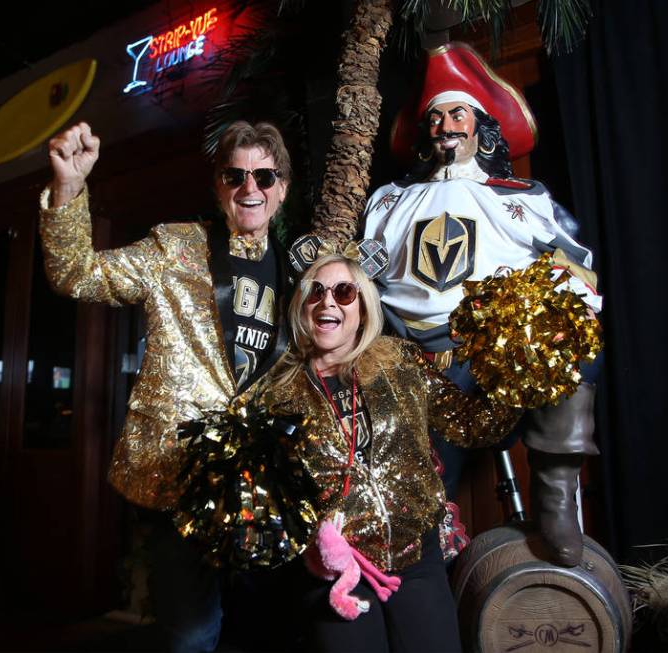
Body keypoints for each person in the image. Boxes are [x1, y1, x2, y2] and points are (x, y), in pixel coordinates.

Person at [39, 120, 294, 651]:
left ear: (282, 188)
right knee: (191, 636)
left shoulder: (300, 273)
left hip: (267, 485)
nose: (251, 188)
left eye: (265, 176)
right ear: (219, 185)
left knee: (264, 633)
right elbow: (76, 273)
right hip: (178, 476)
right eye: (235, 175)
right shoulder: (176, 247)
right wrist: (68, 187)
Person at [362, 42, 603, 567]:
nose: (444, 124)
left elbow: (576, 263)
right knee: (414, 513)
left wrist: (569, 305)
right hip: (408, 355)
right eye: (435, 116)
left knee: (575, 335)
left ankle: (557, 495)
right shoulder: (389, 201)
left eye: (457, 112)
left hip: (497, 353)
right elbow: (364, 272)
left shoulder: (524, 195)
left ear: (480, 125)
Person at [243, 253, 520, 652]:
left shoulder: (399, 361)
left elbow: (471, 424)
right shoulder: (275, 393)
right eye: (315, 292)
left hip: (415, 557)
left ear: (362, 306)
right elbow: (262, 495)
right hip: (336, 573)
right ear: (302, 307)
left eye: (343, 291)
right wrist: (308, 536)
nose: (328, 302)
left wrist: (516, 376)